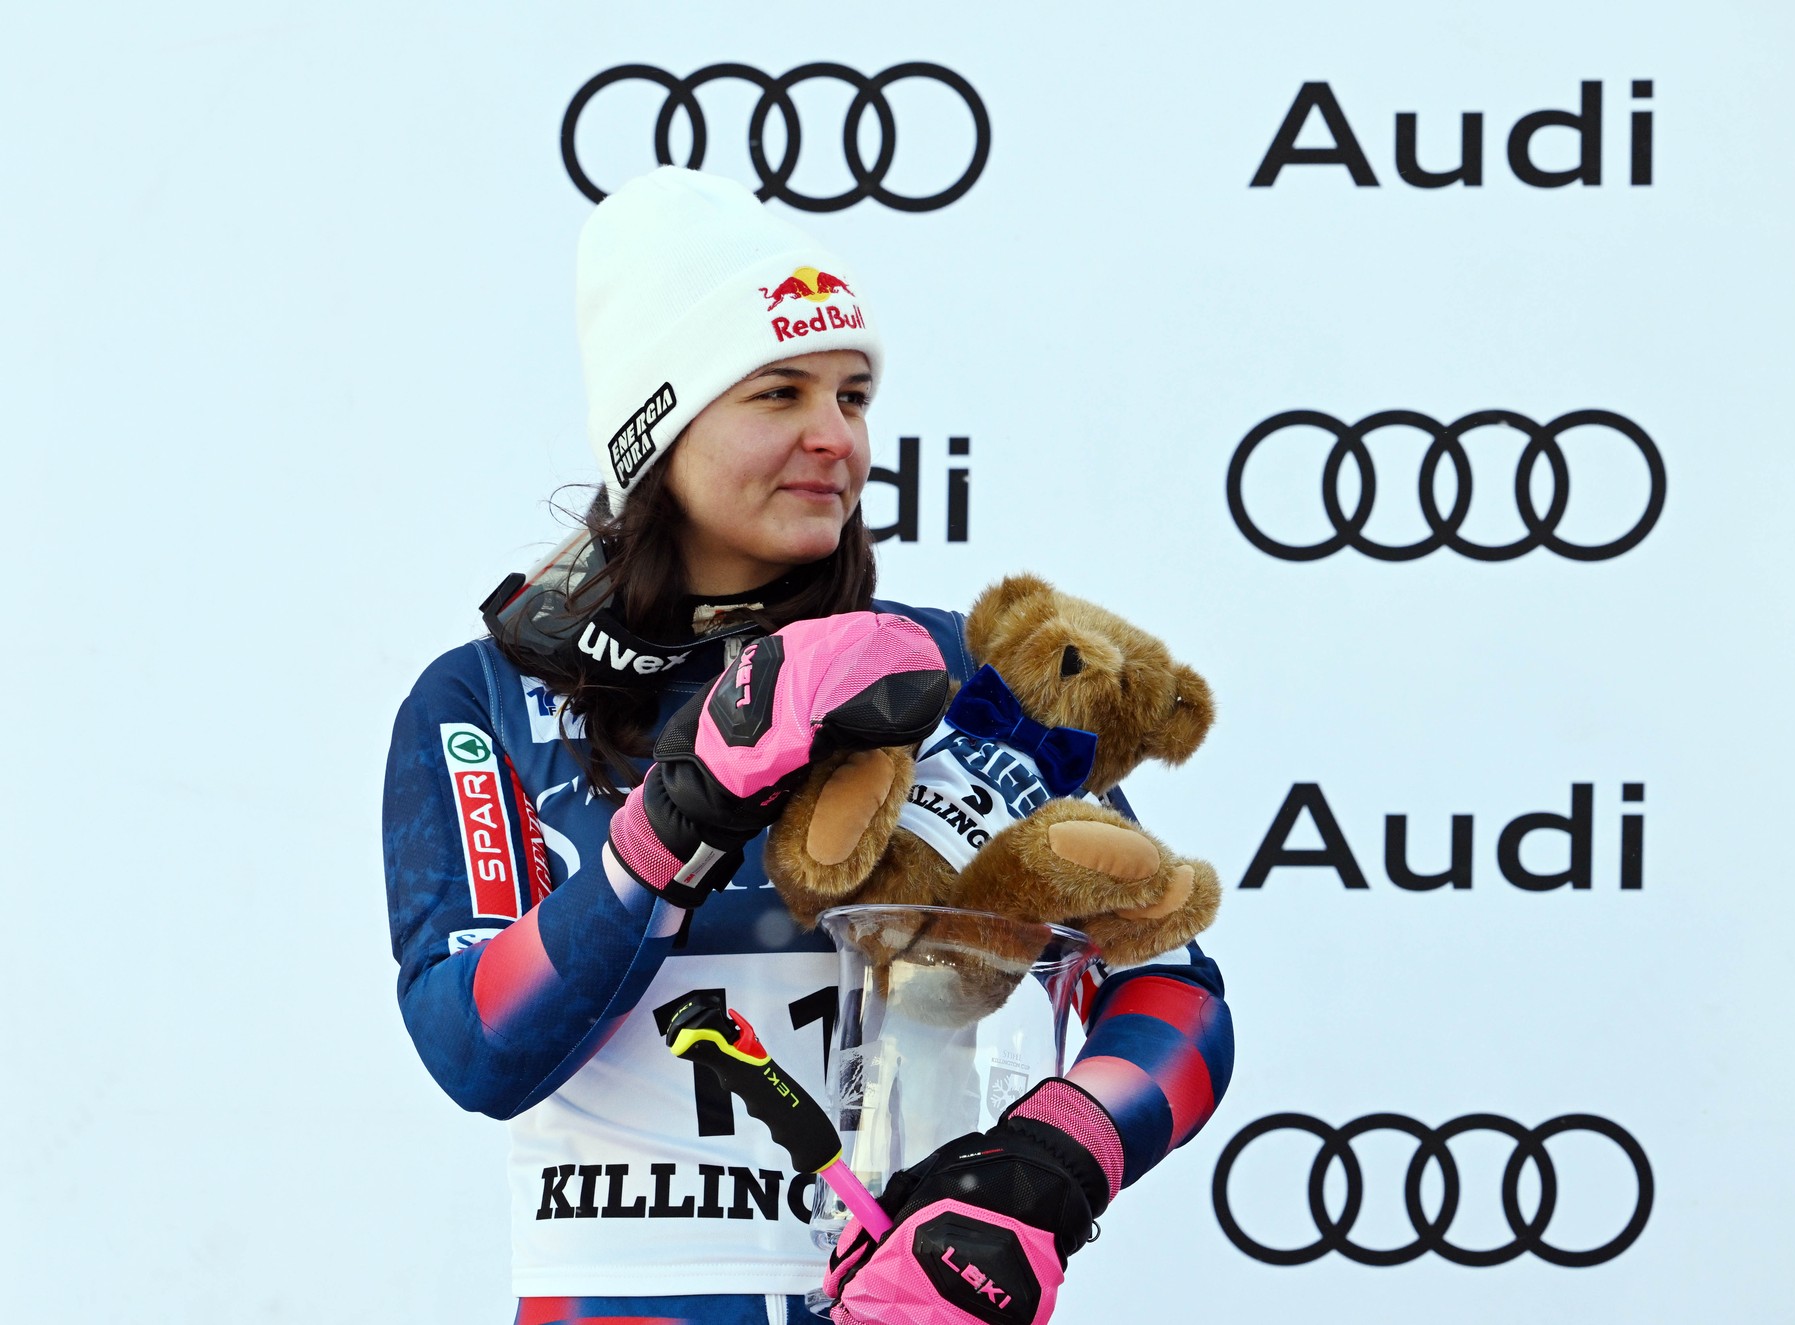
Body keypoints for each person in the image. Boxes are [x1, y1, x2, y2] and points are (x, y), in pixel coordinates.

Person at [383, 167, 1235, 1325]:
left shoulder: (955, 675)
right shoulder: (488, 699)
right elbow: (477, 1041)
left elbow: (1174, 991)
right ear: (659, 431)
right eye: (779, 392)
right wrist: (672, 823)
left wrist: (1041, 1173)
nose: (835, 437)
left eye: (855, 394)